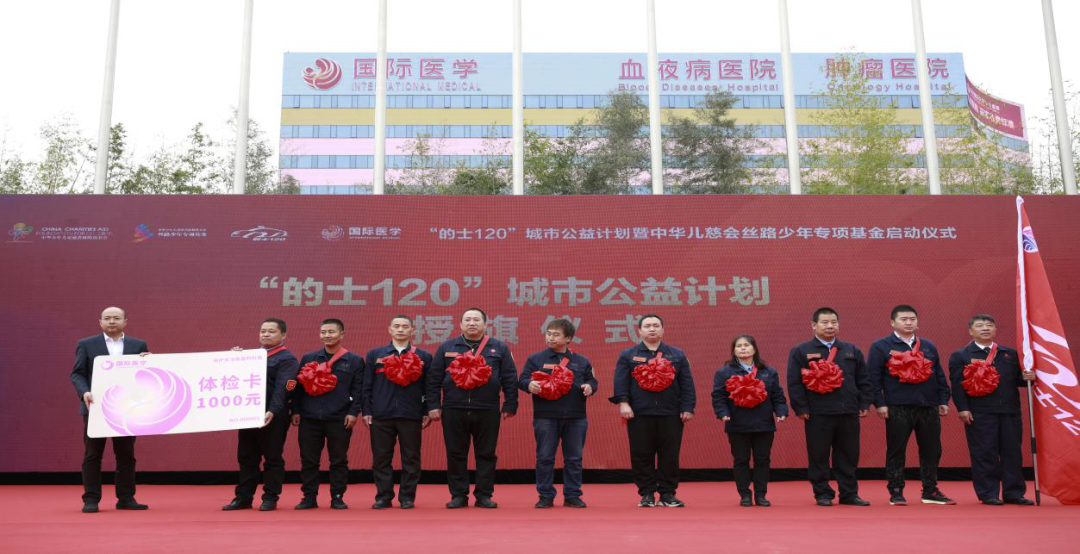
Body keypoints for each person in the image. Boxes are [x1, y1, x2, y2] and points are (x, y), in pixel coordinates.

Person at [426, 308, 518, 509]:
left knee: (486, 453)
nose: (472, 323)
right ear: (460, 324)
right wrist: (433, 405)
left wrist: (510, 404)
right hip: (453, 407)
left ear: (485, 324)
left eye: (476, 320)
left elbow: (510, 378)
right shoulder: (447, 347)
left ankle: (484, 495)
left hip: (487, 408)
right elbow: (433, 378)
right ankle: (458, 495)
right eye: (467, 320)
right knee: (455, 453)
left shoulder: (499, 347)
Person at [867, 305, 954, 506]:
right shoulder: (881, 346)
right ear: (893, 322)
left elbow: (939, 375)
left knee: (932, 450)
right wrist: (879, 403)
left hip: (928, 406)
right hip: (898, 407)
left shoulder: (928, 346)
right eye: (904, 319)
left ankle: (930, 490)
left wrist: (943, 400)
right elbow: (873, 378)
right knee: (897, 449)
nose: (909, 322)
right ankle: (896, 490)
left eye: (912, 319)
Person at [786, 307, 872, 507]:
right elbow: (794, 382)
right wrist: (801, 408)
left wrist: (864, 402)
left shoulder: (851, 350)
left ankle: (849, 493)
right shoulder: (801, 350)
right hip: (818, 412)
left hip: (848, 410)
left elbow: (864, 379)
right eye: (825, 322)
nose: (830, 326)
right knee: (819, 455)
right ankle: (822, 493)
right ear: (814, 325)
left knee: (849, 454)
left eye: (834, 322)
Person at [948, 314, 1036, 506]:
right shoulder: (961, 355)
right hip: (979, 412)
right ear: (971, 331)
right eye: (980, 325)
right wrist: (963, 409)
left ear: (995, 330)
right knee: (984, 453)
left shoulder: (1009, 354)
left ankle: (1014, 493)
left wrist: (1029, 377)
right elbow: (957, 386)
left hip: (1009, 411)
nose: (985, 328)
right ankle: (988, 493)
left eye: (989, 325)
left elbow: (1018, 380)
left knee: (1012, 452)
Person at [70, 306, 151, 513]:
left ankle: (126, 498)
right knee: (92, 455)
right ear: (100, 322)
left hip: (126, 409)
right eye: (107, 318)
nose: (112, 321)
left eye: (116, 318)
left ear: (125, 322)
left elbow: (145, 374)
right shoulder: (86, 344)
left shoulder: (137, 345)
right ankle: (91, 499)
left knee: (126, 455)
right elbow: (77, 373)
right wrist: (84, 392)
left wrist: (150, 362)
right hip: (95, 407)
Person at [609, 314, 695, 508]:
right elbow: (621, 381)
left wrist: (687, 407)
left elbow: (687, 384)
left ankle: (667, 494)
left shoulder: (677, 354)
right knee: (641, 453)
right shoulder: (628, 355)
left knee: (670, 454)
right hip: (639, 412)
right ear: (639, 331)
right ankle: (646, 493)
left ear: (663, 330)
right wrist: (623, 403)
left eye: (656, 325)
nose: (652, 329)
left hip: (671, 412)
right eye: (647, 326)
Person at [518, 318, 598, 508]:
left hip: (576, 416)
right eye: (548, 334)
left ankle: (572, 495)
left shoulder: (581, 361)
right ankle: (545, 495)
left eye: (556, 334)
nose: (550, 338)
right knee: (545, 458)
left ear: (568, 338)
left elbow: (592, 381)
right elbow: (522, 380)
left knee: (574, 459)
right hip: (545, 416)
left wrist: (590, 387)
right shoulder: (536, 359)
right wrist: (529, 384)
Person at [222, 317, 299, 512]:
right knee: (247, 457)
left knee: (272, 458)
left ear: (283, 335)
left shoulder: (287, 359)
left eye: (271, 331)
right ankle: (243, 498)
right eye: (263, 331)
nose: (266, 334)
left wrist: (272, 410)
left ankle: (270, 497)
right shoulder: (250, 356)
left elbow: (284, 387)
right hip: (248, 414)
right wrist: (234, 359)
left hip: (273, 416)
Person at [362, 316, 433, 510]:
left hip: (411, 414)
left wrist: (426, 410)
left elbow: (429, 386)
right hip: (381, 414)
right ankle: (383, 496)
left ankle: (407, 497)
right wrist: (366, 410)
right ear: (389, 329)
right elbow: (367, 386)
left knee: (411, 458)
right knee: (381, 458)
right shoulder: (375, 354)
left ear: (412, 331)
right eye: (396, 326)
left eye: (405, 327)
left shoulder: (424, 356)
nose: (400, 329)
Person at [292, 318, 363, 510]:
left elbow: (358, 391)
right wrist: (296, 410)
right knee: (309, 460)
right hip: (309, 417)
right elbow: (296, 386)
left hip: (339, 418)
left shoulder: (354, 360)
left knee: (338, 459)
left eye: (331, 332)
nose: (327, 335)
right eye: (323, 332)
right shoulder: (309, 358)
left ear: (342, 334)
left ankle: (337, 496)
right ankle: (309, 497)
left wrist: (353, 412)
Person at [712, 335, 788, 507]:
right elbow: (718, 396)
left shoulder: (768, 371)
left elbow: (777, 395)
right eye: (739, 346)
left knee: (763, 460)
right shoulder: (724, 372)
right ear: (734, 351)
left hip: (764, 423)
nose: (743, 348)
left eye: (747, 345)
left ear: (754, 349)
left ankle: (761, 495)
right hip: (737, 423)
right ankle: (745, 494)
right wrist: (722, 413)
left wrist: (781, 411)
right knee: (741, 460)